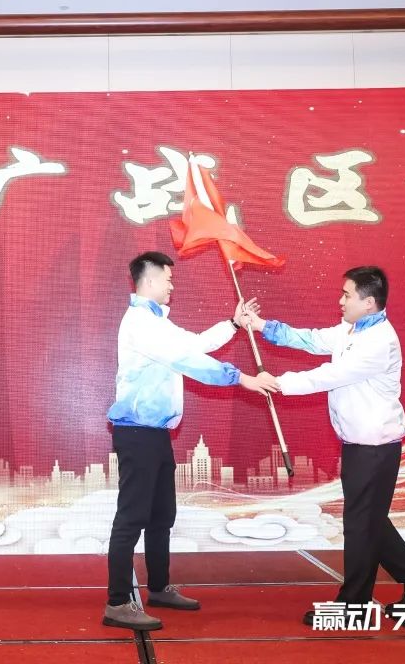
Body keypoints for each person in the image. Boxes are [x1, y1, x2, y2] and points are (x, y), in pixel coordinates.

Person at [243, 266, 405, 623]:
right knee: (369, 521)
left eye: (347, 295)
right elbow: (312, 340)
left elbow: (331, 375)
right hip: (360, 446)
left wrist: (279, 383)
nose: (340, 300)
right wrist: (260, 325)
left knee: (360, 524)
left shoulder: (379, 341)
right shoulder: (352, 329)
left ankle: (355, 606)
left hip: (375, 448)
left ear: (368, 302)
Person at [103, 251, 279, 631]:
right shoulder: (140, 323)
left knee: (161, 516)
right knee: (132, 517)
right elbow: (189, 361)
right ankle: (117, 602)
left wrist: (233, 324)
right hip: (138, 434)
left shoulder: (159, 323)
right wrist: (243, 379)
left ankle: (159, 587)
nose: (172, 286)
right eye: (169, 279)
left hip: (155, 435)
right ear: (150, 280)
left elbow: (195, 344)